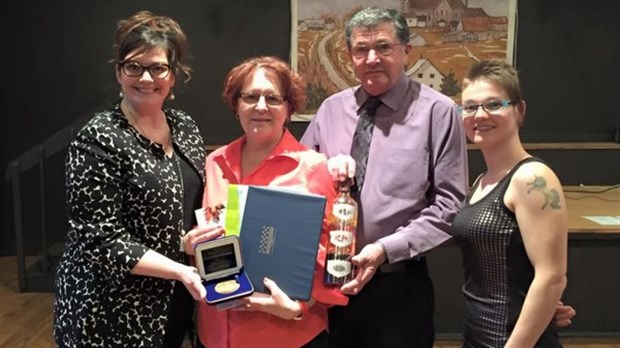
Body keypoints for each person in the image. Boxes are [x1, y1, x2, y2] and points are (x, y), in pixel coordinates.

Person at [301, 7, 468, 348]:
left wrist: (382, 250)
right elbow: (298, 180)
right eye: (361, 49)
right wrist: (321, 170)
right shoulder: (331, 110)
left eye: (384, 46)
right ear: (350, 56)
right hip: (329, 285)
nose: (371, 58)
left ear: (407, 51)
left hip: (398, 289)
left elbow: (450, 206)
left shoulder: (438, 112)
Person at [54, 11, 221, 347]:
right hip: (110, 307)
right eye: (134, 66)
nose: (146, 77)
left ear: (174, 76)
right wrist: (178, 261)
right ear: (119, 72)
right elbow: (100, 239)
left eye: (158, 67)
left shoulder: (184, 126)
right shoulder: (98, 138)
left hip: (173, 298)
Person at [190, 56, 348, 348]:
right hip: (213, 332)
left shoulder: (314, 168)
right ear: (236, 104)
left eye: (273, 98)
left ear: (289, 107)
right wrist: (191, 246)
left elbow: (337, 258)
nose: (261, 106)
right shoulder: (215, 162)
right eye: (250, 96)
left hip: (283, 335)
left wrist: (299, 308)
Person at [451, 59, 568, 347]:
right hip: (478, 336)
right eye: (469, 107)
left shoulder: (531, 178)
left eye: (493, 104)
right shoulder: (482, 180)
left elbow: (552, 277)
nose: (479, 115)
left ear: (520, 110)